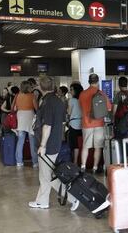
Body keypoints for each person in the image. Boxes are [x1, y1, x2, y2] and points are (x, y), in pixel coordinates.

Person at [29, 76, 79, 211]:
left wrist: (42, 145)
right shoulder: (58, 101)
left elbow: (47, 126)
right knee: (47, 175)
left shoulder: (47, 103)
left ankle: (73, 198)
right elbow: (63, 122)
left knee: (46, 176)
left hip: (48, 144)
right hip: (56, 142)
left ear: (40, 87)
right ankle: (41, 200)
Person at [78, 74, 112, 173]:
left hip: (86, 123)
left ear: (89, 81)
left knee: (85, 146)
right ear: (97, 82)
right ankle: (95, 167)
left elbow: (81, 107)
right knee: (98, 147)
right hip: (99, 123)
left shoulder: (82, 94)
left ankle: (83, 166)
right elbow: (109, 108)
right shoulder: (101, 93)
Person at [14, 81, 38, 168]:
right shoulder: (32, 96)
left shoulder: (17, 96)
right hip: (30, 117)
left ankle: (19, 162)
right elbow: (36, 108)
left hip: (20, 117)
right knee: (32, 141)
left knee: (20, 141)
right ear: (28, 87)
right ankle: (35, 162)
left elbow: (14, 108)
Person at [68, 83, 83, 165]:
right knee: (82, 143)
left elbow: (69, 112)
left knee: (74, 144)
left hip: (73, 124)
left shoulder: (72, 100)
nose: (70, 91)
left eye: (71, 89)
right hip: (82, 124)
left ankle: (75, 162)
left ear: (75, 90)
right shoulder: (83, 99)